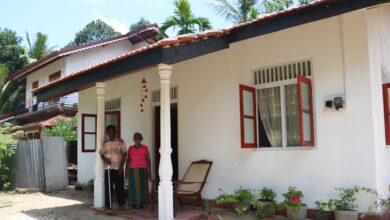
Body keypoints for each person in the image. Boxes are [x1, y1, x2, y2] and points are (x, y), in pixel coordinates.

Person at [100, 125, 127, 210]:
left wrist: (121, 167)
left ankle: (121, 204)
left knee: (120, 187)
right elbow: (101, 154)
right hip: (108, 169)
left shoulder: (121, 141)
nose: (112, 133)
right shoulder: (105, 143)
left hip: (118, 168)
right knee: (108, 188)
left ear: (116, 132)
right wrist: (105, 160)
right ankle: (108, 206)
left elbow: (125, 154)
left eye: (113, 131)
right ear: (107, 133)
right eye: (110, 132)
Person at [125, 132, 151, 209]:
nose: (137, 139)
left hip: (143, 169)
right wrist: (126, 170)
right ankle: (133, 203)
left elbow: (148, 160)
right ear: (133, 139)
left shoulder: (145, 148)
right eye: (136, 138)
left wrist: (149, 171)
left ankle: (141, 203)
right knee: (133, 187)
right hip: (132, 169)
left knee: (142, 187)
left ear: (141, 139)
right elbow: (128, 160)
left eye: (139, 138)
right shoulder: (130, 148)